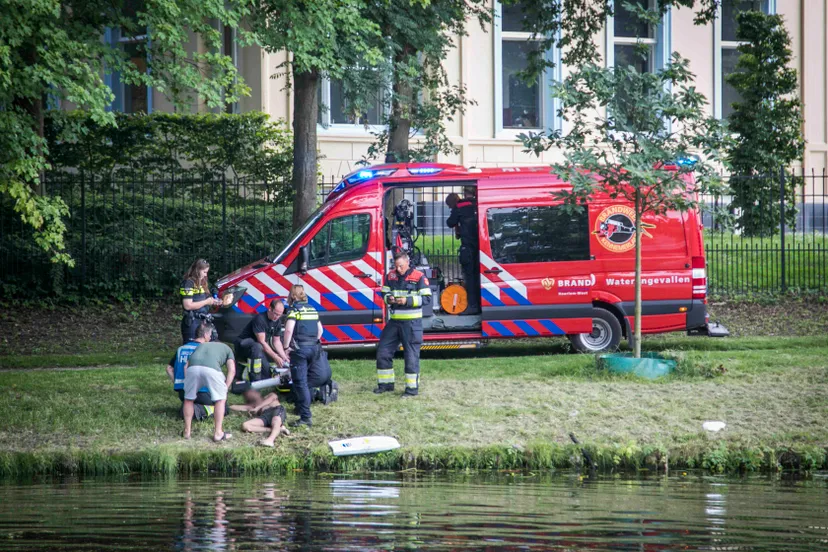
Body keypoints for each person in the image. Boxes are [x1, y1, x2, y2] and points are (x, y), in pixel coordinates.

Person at [375, 251, 432, 397]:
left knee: (411, 356)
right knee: (383, 350)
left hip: (412, 323)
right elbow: (384, 292)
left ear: (407, 263)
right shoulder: (391, 276)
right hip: (394, 322)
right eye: (396, 266)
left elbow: (426, 299)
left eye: (401, 266)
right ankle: (386, 385)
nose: (398, 269)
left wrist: (407, 301)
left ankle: (411, 389)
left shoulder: (419, 277)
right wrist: (390, 299)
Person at [282, 285, 333, 428]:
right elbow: (320, 330)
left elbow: (288, 330)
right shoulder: (312, 309)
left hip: (300, 349)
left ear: (292, 296)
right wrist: (313, 342)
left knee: (300, 382)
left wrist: (286, 347)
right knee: (308, 379)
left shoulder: (294, 310)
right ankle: (301, 407)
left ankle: (305, 417)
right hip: (315, 348)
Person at [182, 322, 236, 442]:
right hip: (212, 370)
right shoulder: (227, 349)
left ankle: (187, 431)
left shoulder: (201, 345)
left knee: (188, 399)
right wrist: (225, 387)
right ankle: (218, 433)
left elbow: (186, 366)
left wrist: (188, 383)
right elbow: (231, 370)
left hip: (192, 369)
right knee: (220, 400)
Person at [234, 298, 290, 382]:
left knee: (267, 374)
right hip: (243, 345)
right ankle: (253, 379)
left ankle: (242, 370)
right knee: (257, 346)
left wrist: (284, 357)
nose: (277, 317)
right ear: (270, 309)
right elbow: (262, 342)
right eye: (275, 314)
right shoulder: (260, 319)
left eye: (280, 315)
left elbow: (276, 341)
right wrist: (275, 357)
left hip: (258, 348)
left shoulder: (277, 321)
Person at [446, 186, 481, 314]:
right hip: (482, 247)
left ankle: (472, 306)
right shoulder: (479, 203)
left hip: (468, 247)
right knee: (480, 276)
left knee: (470, 277)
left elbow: (450, 222)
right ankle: (482, 303)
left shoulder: (460, 207)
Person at [166, 338, 219, 421]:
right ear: (206, 335)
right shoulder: (206, 349)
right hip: (202, 392)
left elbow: (169, 368)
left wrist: (177, 383)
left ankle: (187, 408)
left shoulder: (181, 349)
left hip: (183, 392)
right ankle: (198, 410)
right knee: (223, 407)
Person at [180, 259, 222, 344]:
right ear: (197, 270)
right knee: (190, 347)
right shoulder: (188, 283)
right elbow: (187, 305)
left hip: (203, 320)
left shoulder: (203, 282)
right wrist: (206, 302)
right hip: (192, 320)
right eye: (204, 272)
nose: (206, 275)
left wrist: (215, 301)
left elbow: (207, 299)